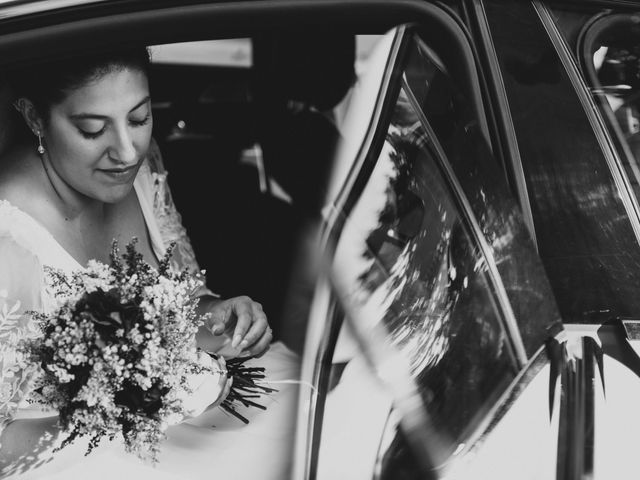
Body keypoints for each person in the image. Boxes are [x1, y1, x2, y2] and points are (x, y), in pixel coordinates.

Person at [0, 47, 300, 479]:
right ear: (34, 117)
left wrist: (217, 314)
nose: (126, 151)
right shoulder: (9, 237)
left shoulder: (142, 171)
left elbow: (184, 299)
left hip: (182, 423)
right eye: (92, 129)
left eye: (140, 119)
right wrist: (104, 414)